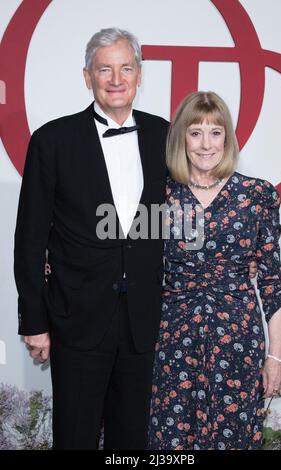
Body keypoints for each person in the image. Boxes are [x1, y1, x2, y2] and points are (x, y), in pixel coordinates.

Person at [14, 28, 169, 450]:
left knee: (131, 441)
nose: (116, 79)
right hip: (76, 317)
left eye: (126, 68)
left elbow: (182, 217)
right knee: (75, 437)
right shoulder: (52, 140)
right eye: (105, 69)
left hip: (143, 320)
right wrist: (34, 320)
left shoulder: (165, 136)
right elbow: (29, 238)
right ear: (87, 77)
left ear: (139, 75)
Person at [148, 91, 281, 450]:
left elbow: (272, 282)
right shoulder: (159, 196)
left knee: (234, 439)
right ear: (182, 138)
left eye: (215, 132)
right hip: (171, 341)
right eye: (195, 132)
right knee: (170, 441)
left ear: (228, 137)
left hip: (238, 340)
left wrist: (275, 355)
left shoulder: (256, 196)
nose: (206, 144)